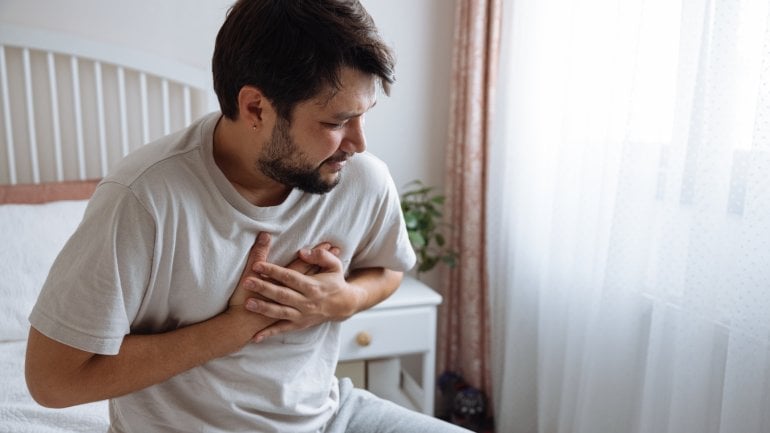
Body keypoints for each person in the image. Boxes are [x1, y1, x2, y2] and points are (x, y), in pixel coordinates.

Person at [24, 1, 471, 432]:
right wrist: (243, 324)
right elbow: (53, 383)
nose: (358, 143)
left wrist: (339, 301)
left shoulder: (360, 178)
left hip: (328, 417)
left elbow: (387, 268)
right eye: (337, 122)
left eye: (363, 116)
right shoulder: (143, 199)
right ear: (256, 107)